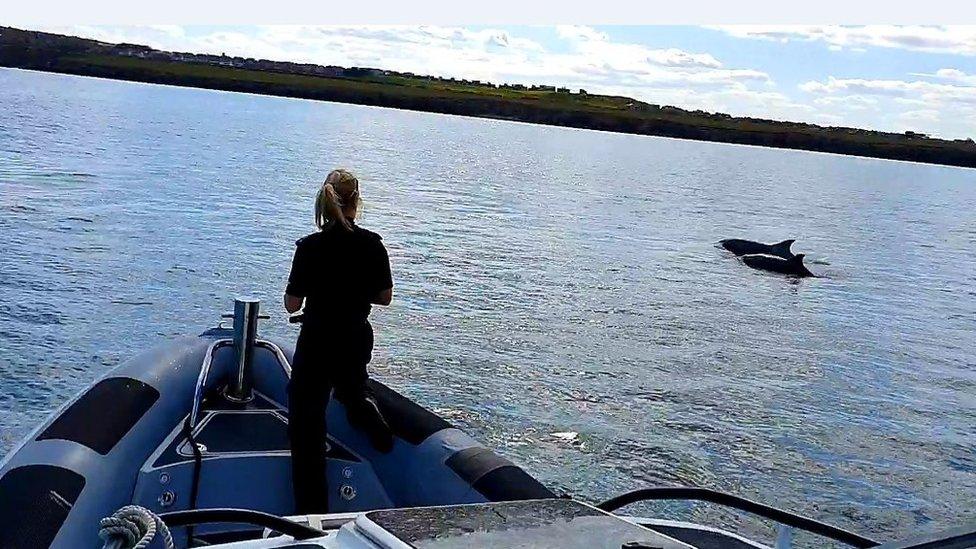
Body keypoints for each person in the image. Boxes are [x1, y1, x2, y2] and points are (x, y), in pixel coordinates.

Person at [283, 168, 394, 514]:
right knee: (351, 384)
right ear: (356, 202)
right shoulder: (372, 245)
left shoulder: (311, 247)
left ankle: (311, 510)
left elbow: (292, 303)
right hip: (355, 336)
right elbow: (385, 296)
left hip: (317, 339)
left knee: (306, 420)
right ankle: (364, 406)